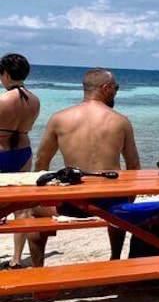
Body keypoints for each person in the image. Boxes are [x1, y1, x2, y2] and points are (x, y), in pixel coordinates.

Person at [30, 68, 141, 266]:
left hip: (72, 204)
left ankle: (38, 269)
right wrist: (129, 198)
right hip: (111, 204)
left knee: (34, 211)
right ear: (106, 88)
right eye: (116, 88)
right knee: (121, 206)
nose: (116, 92)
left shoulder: (59, 118)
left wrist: (42, 195)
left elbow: (41, 163)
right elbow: (133, 165)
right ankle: (115, 259)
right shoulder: (120, 121)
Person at [0, 53, 41, 270]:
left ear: (5, 74)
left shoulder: (2, 99)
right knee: (21, 207)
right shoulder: (35, 100)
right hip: (23, 151)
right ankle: (16, 259)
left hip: (1, 149)